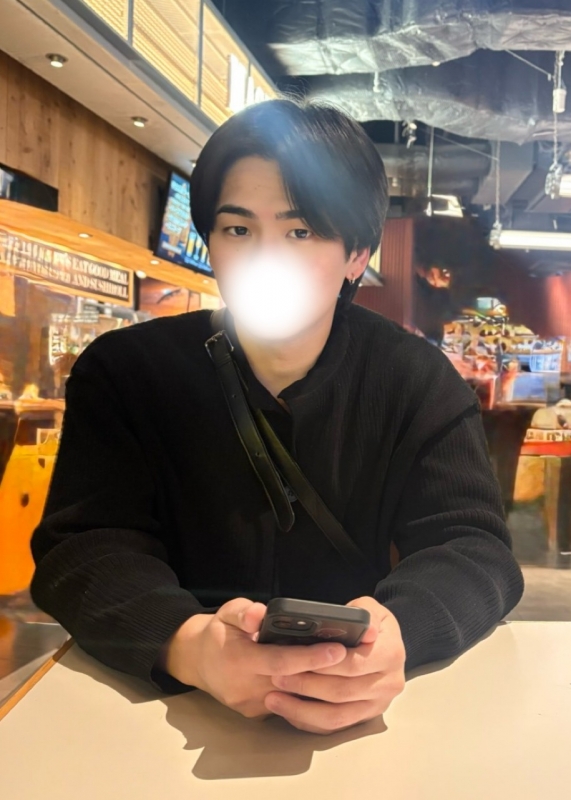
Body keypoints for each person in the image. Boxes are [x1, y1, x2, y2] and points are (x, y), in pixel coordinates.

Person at [31, 99, 524, 736]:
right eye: (238, 229)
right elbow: (84, 546)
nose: (265, 258)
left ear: (356, 254)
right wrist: (188, 643)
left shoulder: (416, 379)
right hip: (160, 714)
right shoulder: (127, 371)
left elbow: (474, 548)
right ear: (211, 243)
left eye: (301, 231)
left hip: (359, 715)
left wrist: (399, 633)